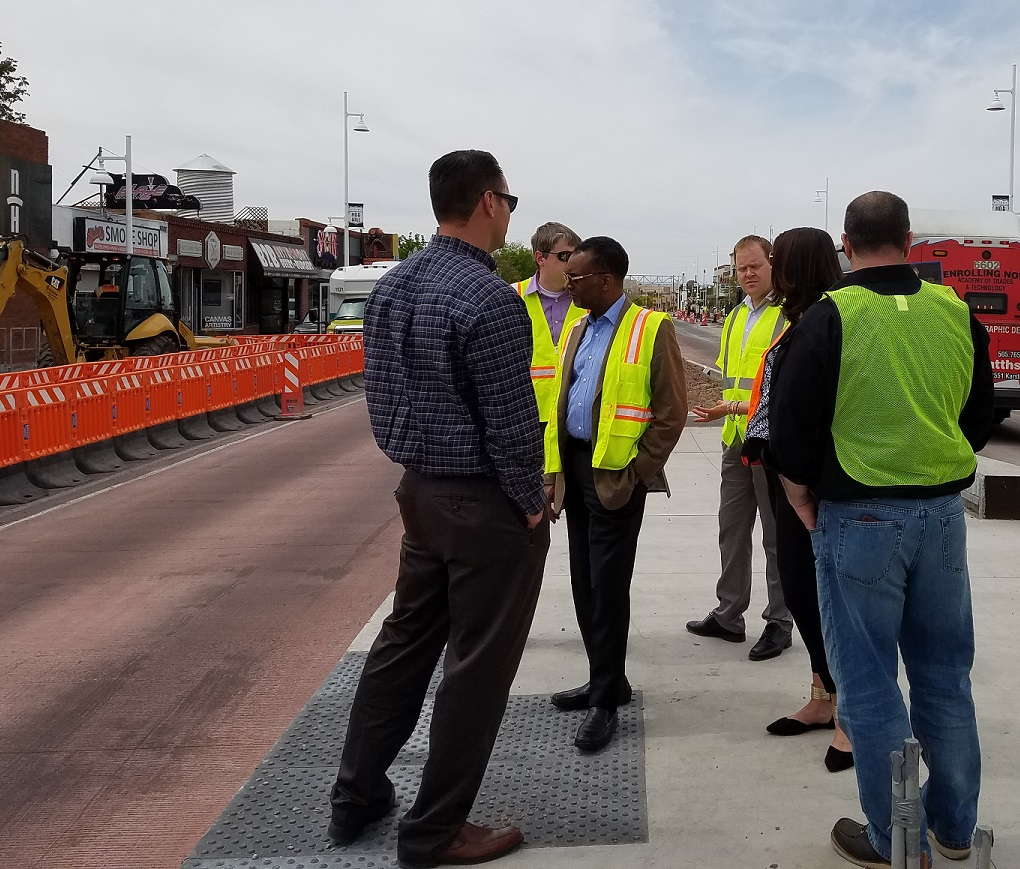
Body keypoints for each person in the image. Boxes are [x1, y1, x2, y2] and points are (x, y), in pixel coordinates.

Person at [328, 150, 548, 868]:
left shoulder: (393, 288)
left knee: (403, 645)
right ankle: (434, 830)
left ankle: (356, 795)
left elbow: (383, 393)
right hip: (483, 505)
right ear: (488, 202)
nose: (509, 210)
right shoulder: (489, 301)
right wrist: (529, 505)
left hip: (419, 492)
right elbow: (512, 425)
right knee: (477, 668)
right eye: (508, 199)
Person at [768, 192, 994, 866]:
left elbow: (791, 429)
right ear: (909, 237)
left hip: (859, 517)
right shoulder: (955, 310)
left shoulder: (829, 316)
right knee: (945, 678)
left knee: (867, 686)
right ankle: (952, 830)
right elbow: (979, 416)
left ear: (846, 241)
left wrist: (800, 495)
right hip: (941, 516)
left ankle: (895, 838)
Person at [545, 236, 688, 752]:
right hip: (578, 471)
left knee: (607, 587)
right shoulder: (579, 328)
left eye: (576, 277)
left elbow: (672, 413)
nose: (569, 283)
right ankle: (606, 679)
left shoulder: (651, 329)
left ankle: (605, 701)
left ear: (607, 279)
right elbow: (568, 399)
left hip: (616, 479)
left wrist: (636, 473)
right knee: (584, 583)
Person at [739, 227, 852, 772]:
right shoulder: (798, 318)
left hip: (817, 485)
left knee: (826, 597)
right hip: (789, 477)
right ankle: (824, 697)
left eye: (779, 261)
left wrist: (800, 484)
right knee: (805, 590)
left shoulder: (827, 319)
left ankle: (851, 718)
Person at [686, 235, 793, 661]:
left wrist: (734, 406)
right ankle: (728, 614)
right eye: (740, 268)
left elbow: (781, 387)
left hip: (769, 440)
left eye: (755, 266)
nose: (747, 274)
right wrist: (725, 411)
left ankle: (779, 622)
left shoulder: (787, 315)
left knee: (775, 536)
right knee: (731, 530)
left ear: (772, 265)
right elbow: (734, 377)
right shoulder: (734, 317)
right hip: (734, 439)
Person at [514, 222, 586, 427]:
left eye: (576, 256)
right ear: (540, 258)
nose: (572, 264)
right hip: (526, 419)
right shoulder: (511, 297)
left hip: (573, 419)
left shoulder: (588, 301)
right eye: (565, 256)